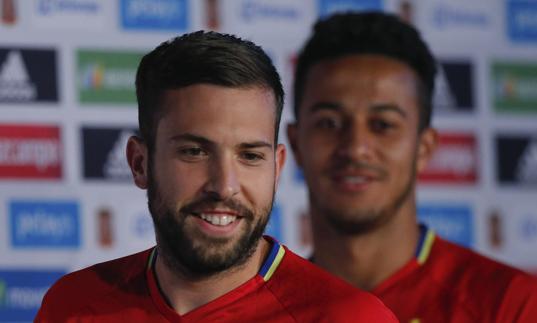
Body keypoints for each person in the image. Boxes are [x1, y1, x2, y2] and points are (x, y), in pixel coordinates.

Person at [35, 31, 397, 322]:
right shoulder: (73, 306)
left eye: (250, 155)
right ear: (139, 163)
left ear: (278, 167)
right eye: (195, 152)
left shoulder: (351, 317)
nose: (224, 185)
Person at [287, 12, 537, 323]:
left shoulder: (506, 303)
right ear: (295, 144)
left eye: (383, 124)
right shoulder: (263, 311)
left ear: (424, 148)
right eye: (329, 123)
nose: (355, 148)